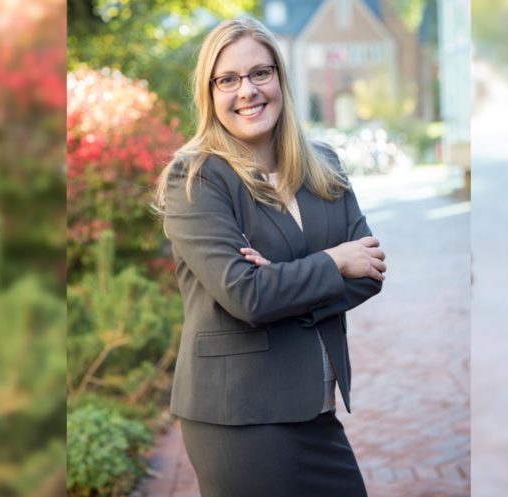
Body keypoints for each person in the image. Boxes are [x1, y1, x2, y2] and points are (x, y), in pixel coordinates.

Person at [154, 16, 386, 497]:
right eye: (228, 80)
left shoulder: (323, 165)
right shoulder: (196, 177)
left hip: (316, 411)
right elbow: (247, 295)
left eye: (260, 73)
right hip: (240, 416)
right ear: (210, 92)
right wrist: (333, 262)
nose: (247, 91)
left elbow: (370, 271)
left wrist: (284, 283)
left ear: (280, 78)